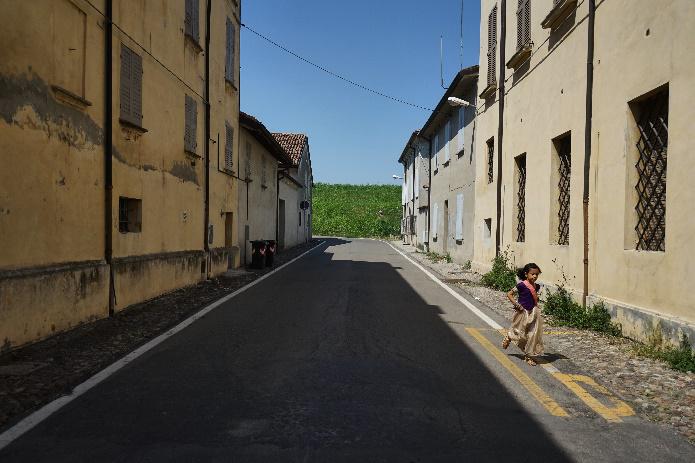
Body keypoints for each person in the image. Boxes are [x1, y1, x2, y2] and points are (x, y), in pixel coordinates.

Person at [502, 263, 544, 366]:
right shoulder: (521, 285)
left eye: (536, 274)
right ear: (526, 274)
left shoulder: (536, 286)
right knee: (520, 332)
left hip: (533, 313)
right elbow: (509, 294)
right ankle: (509, 336)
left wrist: (536, 298)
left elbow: (534, 298)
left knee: (532, 334)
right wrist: (516, 304)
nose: (534, 276)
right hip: (522, 312)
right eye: (532, 274)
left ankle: (528, 356)